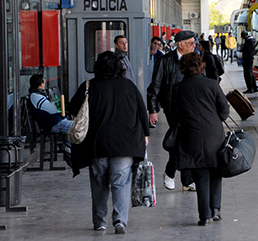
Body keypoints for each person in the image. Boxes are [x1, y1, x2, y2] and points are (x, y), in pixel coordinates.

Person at [67, 51, 150, 234]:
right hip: (124, 143)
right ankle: (120, 221)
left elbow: (72, 108)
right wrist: (145, 134)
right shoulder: (128, 86)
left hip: (97, 143)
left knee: (99, 183)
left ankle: (100, 222)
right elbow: (142, 112)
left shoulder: (89, 86)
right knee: (121, 182)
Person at [173, 52, 230, 226]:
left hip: (191, 135)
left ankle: (203, 215)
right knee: (216, 172)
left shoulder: (178, 88)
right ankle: (216, 209)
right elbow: (224, 111)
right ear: (201, 65)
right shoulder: (212, 85)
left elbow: (174, 114)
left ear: (183, 68)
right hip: (214, 134)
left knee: (200, 175)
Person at [146, 30, 197, 192]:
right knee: (182, 140)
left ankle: (183, 179)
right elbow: (155, 87)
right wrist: (153, 109)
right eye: (191, 43)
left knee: (185, 141)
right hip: (172, 107)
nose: (194, 46)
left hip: (192, 107)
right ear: (180, 44)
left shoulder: (195, 60)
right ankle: (172, 174)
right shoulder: (164, 61)